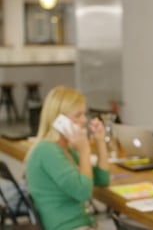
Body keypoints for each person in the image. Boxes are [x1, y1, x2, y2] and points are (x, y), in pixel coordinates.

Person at [25, 86, 110, 230]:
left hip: (81, 224)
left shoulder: (65, 148)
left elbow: (102, 179)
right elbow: (83, 193)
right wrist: (84, 151)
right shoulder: (47, 150)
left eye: (84, 114)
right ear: (58, 120)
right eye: (77, 115)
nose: (83, 120)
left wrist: (100, 141)